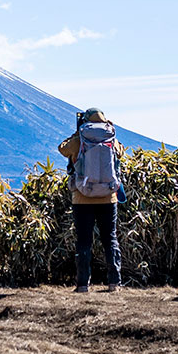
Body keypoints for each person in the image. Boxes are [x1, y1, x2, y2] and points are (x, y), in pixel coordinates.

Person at [58, 108, 123, 293]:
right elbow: (121, 153)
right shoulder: (111, 138)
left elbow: (62, 149)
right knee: (110, 239)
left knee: (84, 241)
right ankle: (114, 283)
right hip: (108, 198)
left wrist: (77, 132)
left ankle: (83, 285)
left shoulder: (79, 140)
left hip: (82, 197)